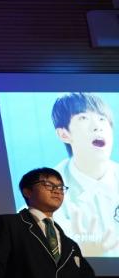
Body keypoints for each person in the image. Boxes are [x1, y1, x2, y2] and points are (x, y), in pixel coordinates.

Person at [49, 93, 119, 257]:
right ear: (64, 134)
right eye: (83, 118)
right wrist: (82, 254)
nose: (97, 126)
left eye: (102, 119)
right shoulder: (44, 195)